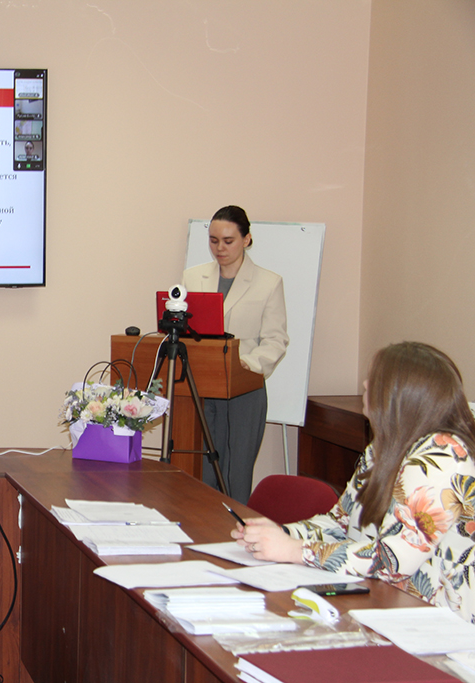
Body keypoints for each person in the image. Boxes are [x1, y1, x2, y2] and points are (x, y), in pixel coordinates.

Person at [234, 341, 475, 622]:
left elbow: (392, 561)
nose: (365, 384)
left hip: (444, 628)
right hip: (386, 605)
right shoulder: (383, 448)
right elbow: (340, 523)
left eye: (375, 379)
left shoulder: (444, 455)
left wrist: (295, 550)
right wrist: (282, 533)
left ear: (401, 395)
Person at [182, 205, 288, 504]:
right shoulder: (193, 277)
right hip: (202, 388)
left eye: (228, 241)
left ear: (247, 239)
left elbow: (276, 340)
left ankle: (234, 527)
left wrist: (244, 363)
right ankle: (201, 525)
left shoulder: (269, 282)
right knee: (200, 470)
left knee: (236, 473)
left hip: (245, 388)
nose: (220, 248)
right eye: (214, 240)